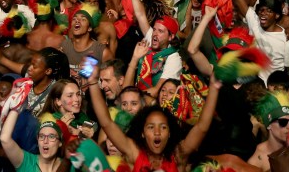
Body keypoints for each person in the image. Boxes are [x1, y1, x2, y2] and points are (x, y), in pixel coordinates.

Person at [87, 67, 222, 172]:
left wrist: (214, 87)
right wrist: (93, 82)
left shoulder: (179, 155)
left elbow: (202, 127)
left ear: (169, 133)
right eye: (151, 127)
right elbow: (106, 122)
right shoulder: (134, 152)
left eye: (163, 127)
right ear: (142, 132)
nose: (157, 132)